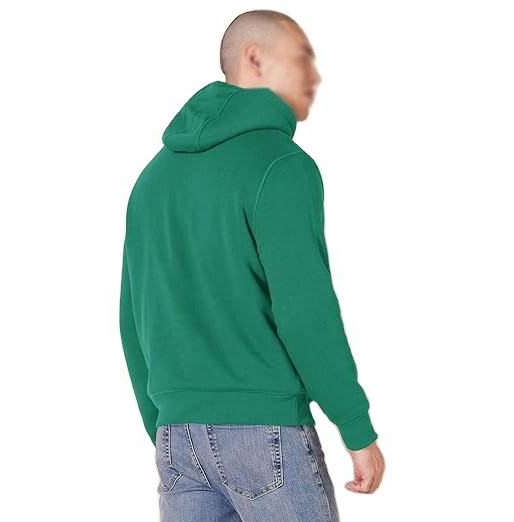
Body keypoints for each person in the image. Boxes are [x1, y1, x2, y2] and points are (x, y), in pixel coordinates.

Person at [119, 9, 385, 521]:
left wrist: (165, 423)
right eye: (301, 59)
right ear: (254, 58)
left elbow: (133, 318)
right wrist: (356, 427)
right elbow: (305, 310)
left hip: (177, 437)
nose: (314, 76)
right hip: (266, 431)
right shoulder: (280, 165)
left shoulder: (151, 180)